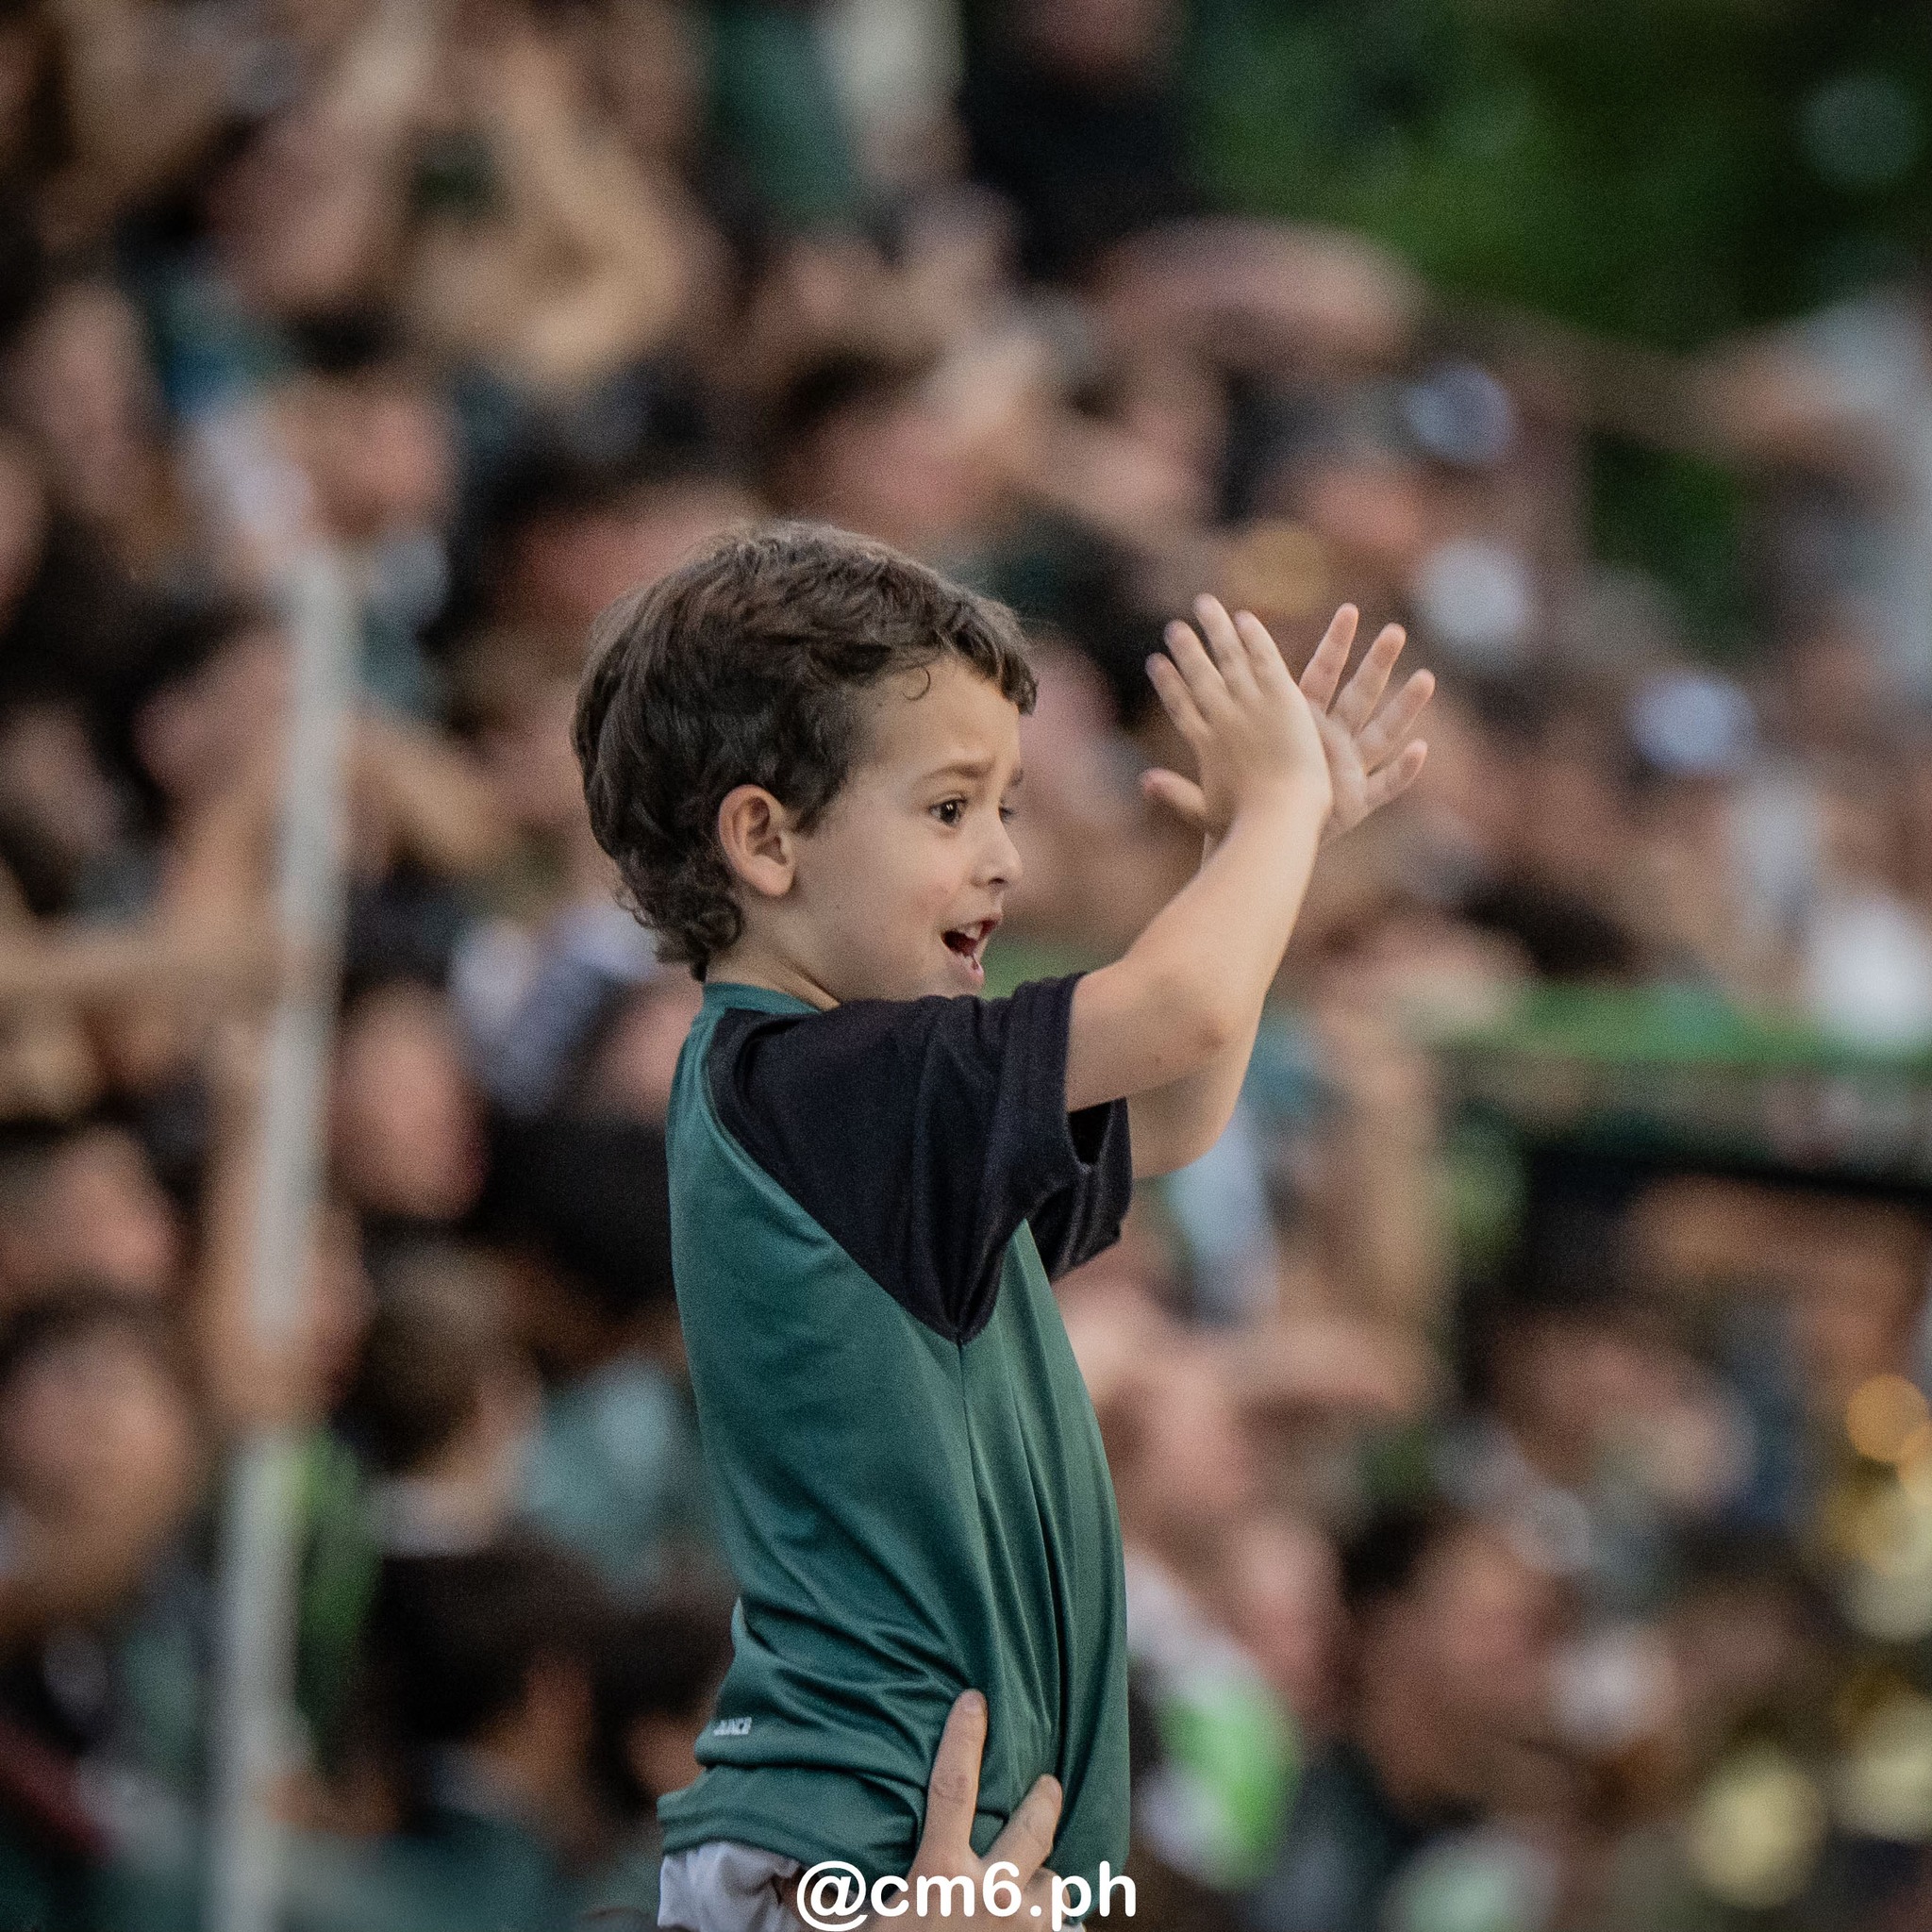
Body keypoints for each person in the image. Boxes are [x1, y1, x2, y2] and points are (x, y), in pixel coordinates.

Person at [572, 522, 1432, 1929]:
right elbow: (1185, 1011)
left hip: (927, 1852)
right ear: (765, 838)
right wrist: (1275, 814)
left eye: (1008, 808)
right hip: (865, 1849)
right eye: (949, 809)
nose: (1003, 864)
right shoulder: (825, 1084)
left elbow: (1174, 1110)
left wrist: (1247, 844)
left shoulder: (854, 1105)